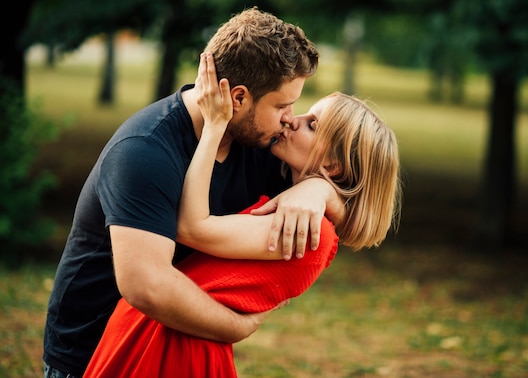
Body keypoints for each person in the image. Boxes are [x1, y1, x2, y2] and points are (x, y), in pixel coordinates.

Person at [43, 7, 345, 378]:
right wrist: (236, 326)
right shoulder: (145, 151)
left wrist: (319, 191)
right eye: (282, 105)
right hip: (95, 355)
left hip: (177, 350)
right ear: (238, 98)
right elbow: (147, 287)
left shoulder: (260, 141)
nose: (290, 117)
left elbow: (351, 212)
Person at [83, 52, 402, 377]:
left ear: (333, 166)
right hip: (168, 335)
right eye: (293, 108)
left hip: (178, 345)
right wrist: (323, 192)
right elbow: (358, 210)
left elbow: (193, 228)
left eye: (312, 124)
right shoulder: (281, 172)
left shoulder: (306, 230)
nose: (292, 119)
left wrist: (213, 128)